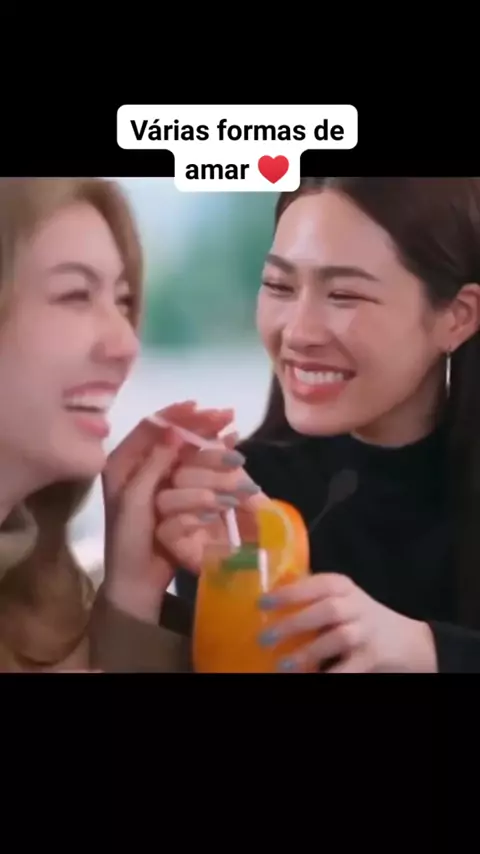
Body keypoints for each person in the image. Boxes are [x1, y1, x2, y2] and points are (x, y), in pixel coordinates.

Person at [149, 177, 480, 673]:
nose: (298, 331)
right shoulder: (242, 503)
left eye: (343, 294)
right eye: (279, 286)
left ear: (457, 316)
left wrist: (428, 649)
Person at [0, 176, 224, 672]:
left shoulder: (44, 600)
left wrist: (132, 593)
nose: (126, 344)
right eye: (76, 295)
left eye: (123, 301)